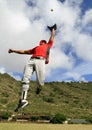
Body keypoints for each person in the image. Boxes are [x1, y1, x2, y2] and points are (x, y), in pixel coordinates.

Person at [8, 24, 57, 112]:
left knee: (41, 81)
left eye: (43, 41)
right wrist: (14, 51)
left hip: (41, 61)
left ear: (45, 43)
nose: (41, 42)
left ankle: (39, 88)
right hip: (31, 60)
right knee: (25, 78)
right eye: (41, 41)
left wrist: (53, 30)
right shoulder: (36, 48)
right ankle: (23, 100)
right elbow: (24, 51)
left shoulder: (48, 45)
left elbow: (52, 37)